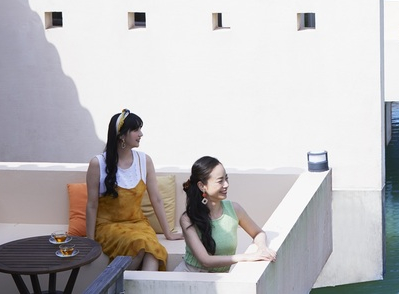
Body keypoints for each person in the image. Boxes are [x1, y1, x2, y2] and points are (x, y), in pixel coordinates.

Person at [86, 109, 182, 271]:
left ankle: (130, 285)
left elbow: (156, 199)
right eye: (136, 130)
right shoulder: (98, 163)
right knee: (141, 246)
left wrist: (168, 233)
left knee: (153, 252)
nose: (141, 134)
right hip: (109, 226)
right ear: (122, 136)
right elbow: (91, 205)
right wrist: (90, 242)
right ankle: (114, 282)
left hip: (139, 225)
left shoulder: (144, 160)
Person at [176, 155, 277, 272]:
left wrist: (262, 248)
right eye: (220, 181)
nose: (226, 184)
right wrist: (248, 257)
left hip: (221, 278)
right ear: (202, 186)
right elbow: (205, 260)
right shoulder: (187, 219)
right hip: (190, 275)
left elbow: (258, 233)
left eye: (226, 178)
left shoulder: (234, 209)